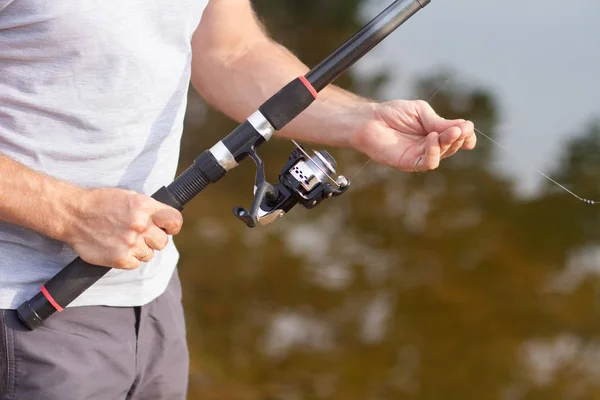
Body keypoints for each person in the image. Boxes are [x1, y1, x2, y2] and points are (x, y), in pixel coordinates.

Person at [0, 0, 476, 398]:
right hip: (25, 312)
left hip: (154, 297)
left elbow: (231, 51)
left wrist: (358, 120)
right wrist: (70, 213)